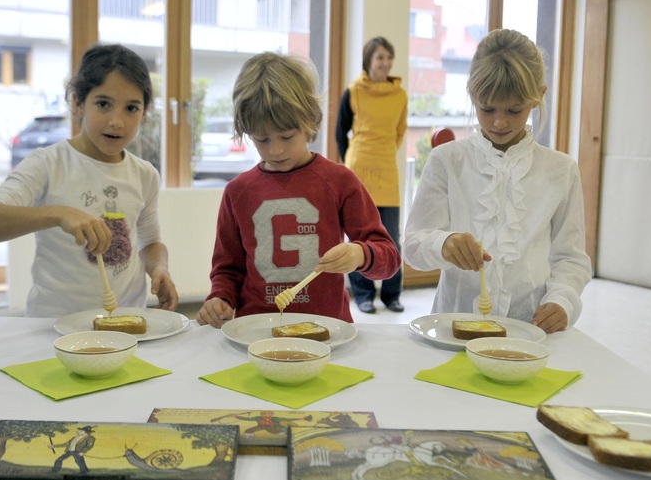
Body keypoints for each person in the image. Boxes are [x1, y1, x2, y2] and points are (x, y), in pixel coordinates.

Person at [0, 44, 179, 318]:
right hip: (53, 326)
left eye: (131, 108)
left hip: (125, 322)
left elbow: (150, 242)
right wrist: (58, 213)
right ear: (78, 102)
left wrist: (159, 268)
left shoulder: (144, 174)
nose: (117, 121)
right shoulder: (48, 163)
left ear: (145, 112)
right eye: (103, 104)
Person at [404, 29, 591, 333]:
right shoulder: (446, 161)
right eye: (486, 108)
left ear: (538, 97)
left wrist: (563, 301)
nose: (499, 122)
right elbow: (412, 245)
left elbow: (571, 258)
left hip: (529, 328)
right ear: (471, 94)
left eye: (514, 110)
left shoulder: (561, 170)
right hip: (453, 328)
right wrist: (443, 243)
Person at [196, 52, 400, 328]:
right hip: (256, 330)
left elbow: (389, 258)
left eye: (287, 136)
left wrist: (360, 254)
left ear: (310, 121)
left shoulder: (339, 181)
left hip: (328, 330)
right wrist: (221, 298)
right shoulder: (237, 192)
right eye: (262, 138)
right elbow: (227, 269)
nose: (275, 149)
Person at [335, 37, 408, 314]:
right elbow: (340, 132)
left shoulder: (400, 95)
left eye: (389, 57)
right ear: (368, 61)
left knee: (392, 236)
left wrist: (384, 153)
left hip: (387, 169)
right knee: (359, 237)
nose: (385, 63)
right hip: (359, 170)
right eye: (380, 57)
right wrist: (350, 161)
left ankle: (392, 295)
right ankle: (363, 295)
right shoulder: (354, 91)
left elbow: (400, 132)